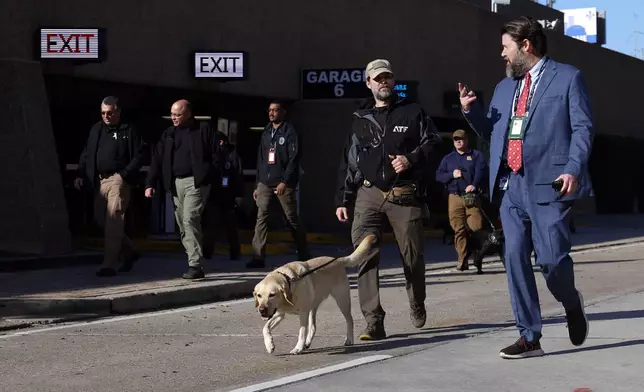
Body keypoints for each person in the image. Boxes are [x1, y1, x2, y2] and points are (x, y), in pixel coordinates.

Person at [459, 16, 593, 359]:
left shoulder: (567, 77)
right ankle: (529, 337)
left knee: (551, 261)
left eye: (506, 47)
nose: (502, 54)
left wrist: (573, 169)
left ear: (526, 46)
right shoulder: (505, 88)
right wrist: (471, 112)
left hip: (551, 184)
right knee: (514, 258)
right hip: (510, 186)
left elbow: (582, 128)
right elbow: (493, 131)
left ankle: (571, 301)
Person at [335, 59, 440, 340]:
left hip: (404, 194)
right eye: (377, 78)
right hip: (368, 194)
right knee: (364, 253)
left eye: (388, 77)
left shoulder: (412, 111)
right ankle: (373, 320)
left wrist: (410, 159)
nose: (384, 82)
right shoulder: (360, 118)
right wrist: (342, 199)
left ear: (393, 81)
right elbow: (349, 162)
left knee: (412, 257)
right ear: (369, 83)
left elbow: (433, 143)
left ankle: (417, 301)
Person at [144, 100, 220, 279]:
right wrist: (150, 183)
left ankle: (195, 264)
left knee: (189, 218)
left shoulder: (203, 130)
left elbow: (217, 154)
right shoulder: (169, 134)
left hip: (196, 182)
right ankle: (197, 255)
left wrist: (208, 176)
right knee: (183, 225)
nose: (174, 118)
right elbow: (157, 159)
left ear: (188, 113)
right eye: (172, 114)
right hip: (176, 183)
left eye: (178, 115)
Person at [74, 96, 146, 277]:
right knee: (101, 220)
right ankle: (129, 250)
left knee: (114, 219)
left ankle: (109, 264)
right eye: (103, 113)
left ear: (118, 112)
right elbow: (87, 153)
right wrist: (81, 174)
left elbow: (140, 153)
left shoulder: (128, 130)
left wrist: (124, 174)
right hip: (99, 181)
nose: (106, 116)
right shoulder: (96, 129)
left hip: (118, 179)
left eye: (110, 113)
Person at [246, 100, 310, 268]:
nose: (272, 113)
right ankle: (257, 256)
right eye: (270, 110)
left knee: (291, 218)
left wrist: (285, 181)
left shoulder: (290, 131)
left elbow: (294, 158)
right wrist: (257, 184)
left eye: (275, 110)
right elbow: (261, 159)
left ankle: (304, 253)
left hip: (283, 182)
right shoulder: (266, 131)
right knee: (261, 217)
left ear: (283, 112)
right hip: (265, 182)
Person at [435, 129, 487, 271]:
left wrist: (474, 185)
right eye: (455, 139)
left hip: (471, 196)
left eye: (461, 139)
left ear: (466, 140)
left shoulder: (476, 156)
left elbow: (481, 172)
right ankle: (462, 258)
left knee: (476, 227)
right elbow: (438, 175)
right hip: (455, 197)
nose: (458, 141)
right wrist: (451, 174)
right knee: (458, 229)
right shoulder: (448, 158)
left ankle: (476, 252)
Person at [203, 132, 243, 261]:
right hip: (214, 194)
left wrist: (238, 195)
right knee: (211, 225)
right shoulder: (211, 155)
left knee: (231, 226)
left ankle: (235, 252)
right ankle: (207, 252)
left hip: (228, 196)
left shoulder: (232, 155)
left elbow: (238, 176)